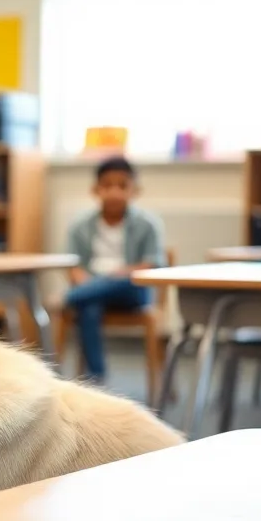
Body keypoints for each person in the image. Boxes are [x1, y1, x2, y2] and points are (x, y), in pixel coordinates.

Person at [64, 156, 166, 383]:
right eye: (107, 185)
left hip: (131, 289)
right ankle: (97, 375)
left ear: (135, 190)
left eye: (122, 186)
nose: (114, 193)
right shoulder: (80, 225)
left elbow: (153, 264)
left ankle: (69, 298)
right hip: (92, 290)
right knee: (88, 306)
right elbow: (73, 267)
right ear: (95, 189)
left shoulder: (148, 224)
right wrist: (86, 281)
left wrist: (119, 274)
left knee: (99, 290)